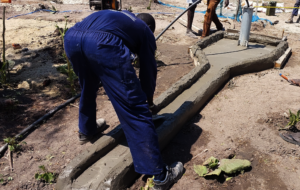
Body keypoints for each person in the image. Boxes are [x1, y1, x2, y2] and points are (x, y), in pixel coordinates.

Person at [64, 10, 183, 190]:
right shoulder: (144, 30)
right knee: (134, 107)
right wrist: (148, 102)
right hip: (102, 44)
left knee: (88, 86)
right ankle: (160, 176)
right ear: (150, 28)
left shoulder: (122, 17)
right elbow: (148, 72)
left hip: (72, 38)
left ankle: (86, 130)